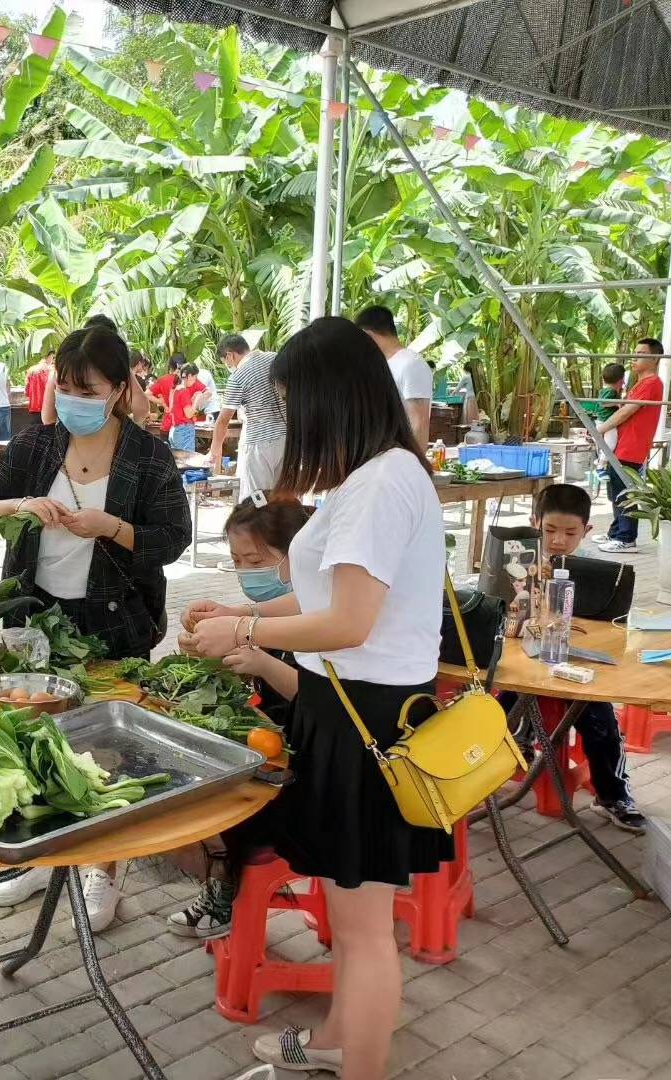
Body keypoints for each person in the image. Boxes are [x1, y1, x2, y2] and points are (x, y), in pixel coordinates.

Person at [185, 316, 450, 1080]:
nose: (293, 422)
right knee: (349, 916)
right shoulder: (376, 475)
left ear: (336, 395)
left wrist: (247, 621)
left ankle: (357, 1062)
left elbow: (348, 620)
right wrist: (248, 627)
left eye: (297, 403)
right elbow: (339, 614)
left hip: (367, 722)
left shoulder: (380, 482)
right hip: (350, 710)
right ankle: (336, 1042)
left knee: (365, 932)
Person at [0, 325, 192, 929]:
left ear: (119, 389)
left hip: (117, 621)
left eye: (86, 389)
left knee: (107, 749)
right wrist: (20, 507)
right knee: (39, 736)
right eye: (64, 387)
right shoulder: (37, 447)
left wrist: (111, 527)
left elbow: (173, 541)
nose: (72, 399)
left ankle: (103, 874)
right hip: (36, 617)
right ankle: (44, 856)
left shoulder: (148, 457)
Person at [167, 497, 308, 940]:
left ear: (297, 556)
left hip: (308, 759)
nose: (246, 570)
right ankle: (221, 881)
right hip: (272, 741)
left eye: (256, 560)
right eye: (236, 560)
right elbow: (245, 649)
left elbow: (322, 697)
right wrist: (205, 646)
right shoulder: (266, 612)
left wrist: (261, 663)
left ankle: (228, 889)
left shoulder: (328, 616)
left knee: (229, 800)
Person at [527, 484, 644, 831]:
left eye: (570, 532)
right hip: (525, 667)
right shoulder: (520, 558)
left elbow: (615, 628)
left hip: (577, 667)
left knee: (602, 723)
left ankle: (612, 794)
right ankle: (508, 761)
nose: (558, 540)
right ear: (535, 523)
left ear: (587, 531)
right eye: (549, 530)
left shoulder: (598, 571)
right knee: (496, 708)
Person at [595, 338, 664, 554]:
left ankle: (626, 537)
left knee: (624, 492)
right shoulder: (640, 384)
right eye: (635, 352)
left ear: (654, 358)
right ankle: (616, 532)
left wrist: (600, 429)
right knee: (617, 490)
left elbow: (626, 411)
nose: (635, 356)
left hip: (632, 447)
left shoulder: (652, 383)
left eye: (641, 353)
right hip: (624, 444)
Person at [210, 333, 285, 499]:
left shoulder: (238, 375)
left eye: (225, 361)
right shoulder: (276, 359)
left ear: (230, 355)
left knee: (258, 498)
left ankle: (260, 524)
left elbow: (223, 421)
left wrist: (213, 452)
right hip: (287, 439)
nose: (228, 365)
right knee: (283, 496)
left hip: (259, 443)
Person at [356, 304, 433, 447]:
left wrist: (414, 465)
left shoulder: (411, 364)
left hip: (402, 459)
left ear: (368, 335)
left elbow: (419, 424)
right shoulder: (384, 364)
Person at [167, 364, 209, 453]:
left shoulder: (176, 389)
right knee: (187, 462)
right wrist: (197, 400)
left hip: (175, 430)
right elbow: (189, 414)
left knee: (178, 462)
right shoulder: (184, 391)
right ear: (189, 376)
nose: (195, 381)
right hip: (184, 430)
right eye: (195, 378)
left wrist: (193, 400)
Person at [25, 349, 54, 422]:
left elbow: (27, 392)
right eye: (53, 358)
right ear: (48, 357)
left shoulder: (31, 370)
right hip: (48, 406)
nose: (54, 361)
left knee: (37, 430)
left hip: (34, 406)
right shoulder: (52, 371)